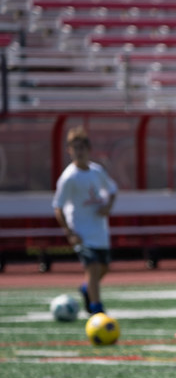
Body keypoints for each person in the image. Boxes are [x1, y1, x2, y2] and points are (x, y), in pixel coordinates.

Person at [52, 126, 118, 315]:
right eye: (75, 148)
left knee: (103, 268)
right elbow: (58, 206)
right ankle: (97, 310)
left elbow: (112, 190)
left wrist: (107, 207)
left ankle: (85, 288)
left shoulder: (97, 171)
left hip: (99, 231)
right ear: (69, 151)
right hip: (81, 232)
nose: (79, 152)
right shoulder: (68, 178)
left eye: (82, 147)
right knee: (93, 267)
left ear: (89, 149)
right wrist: (70, 233)